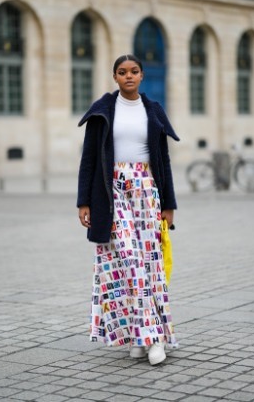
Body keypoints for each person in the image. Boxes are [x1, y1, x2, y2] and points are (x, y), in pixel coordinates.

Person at [77, 54, 179, 365]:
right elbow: (89, 160)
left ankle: (146, 337)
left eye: (134, 71)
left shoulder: (153, 111)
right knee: (129, 260)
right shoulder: (103, 111)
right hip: (112, 191)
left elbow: (163, 161)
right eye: (122, 72)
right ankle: (149, 337)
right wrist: (83, 201)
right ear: (115, 77)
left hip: (147, 190)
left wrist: (169, 204)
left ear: (142, 76)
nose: (129, 76)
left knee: (150, 263)